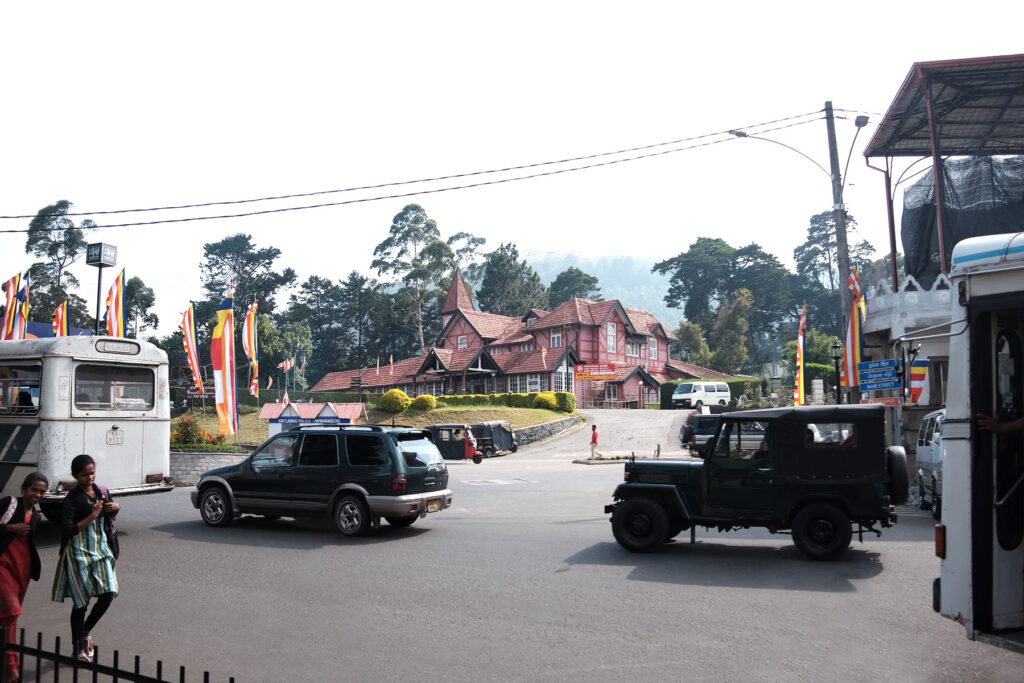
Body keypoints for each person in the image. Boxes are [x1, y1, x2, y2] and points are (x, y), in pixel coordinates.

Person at [51, 455, 120, 664]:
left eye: (92, 473)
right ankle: (78, 649)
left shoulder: (101, 491)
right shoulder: (71, 500)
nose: (90, 477)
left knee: (108, 593)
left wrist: (114, 509)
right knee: (81, 602)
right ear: (75, 476)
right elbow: (67, 529)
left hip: (101, 548)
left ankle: (85, 631)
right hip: (78, 552)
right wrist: (92, 514)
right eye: (84, 475)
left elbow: (109, 518)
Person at [0, 472, 48, 683]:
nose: (37, 494)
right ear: (24, 488)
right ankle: (11, 668)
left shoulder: (36, 516)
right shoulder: (9, 504)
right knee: (11, 613)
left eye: (42, 491)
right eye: (34, 490)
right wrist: (10, 528)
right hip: (2, 568)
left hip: (22, 571)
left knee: (7, 617)